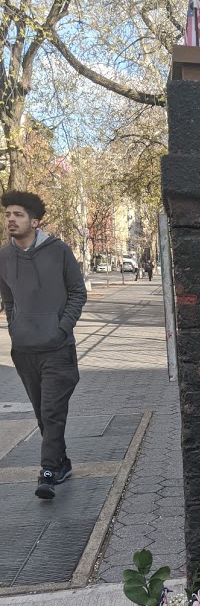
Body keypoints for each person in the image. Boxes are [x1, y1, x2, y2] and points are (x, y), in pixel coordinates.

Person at [0, 191, 87, 499]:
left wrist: (62, 329)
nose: (11, 219)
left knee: (51, 412)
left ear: (34, 222)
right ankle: (61, 462)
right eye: (8, 214)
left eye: (18, 215)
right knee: (42, 414)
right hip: (24, 351)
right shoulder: (4, 256)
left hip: (57, 349)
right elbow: (8, 298)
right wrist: (15, 326)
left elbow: (78, 293)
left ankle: (47, 472)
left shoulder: (59, 251)